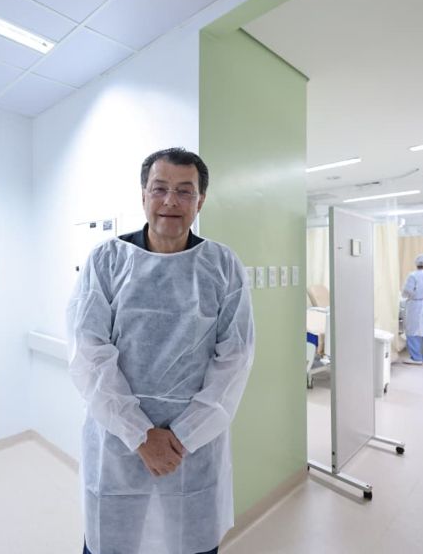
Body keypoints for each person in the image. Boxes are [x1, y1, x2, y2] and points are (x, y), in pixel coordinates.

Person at [67, 147, 255, 554]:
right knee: (112, 544)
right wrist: (139, 434)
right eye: (160, 188)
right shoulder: (107, 261)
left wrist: (183, 436)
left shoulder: (222, 267)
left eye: (185, 191)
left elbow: (234, 360)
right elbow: (89, 353)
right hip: (118, 444)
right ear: (143, 196)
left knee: (192, 544)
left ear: (200, 201)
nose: (171, 200)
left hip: (192, 450)